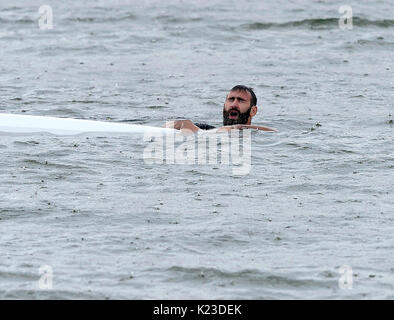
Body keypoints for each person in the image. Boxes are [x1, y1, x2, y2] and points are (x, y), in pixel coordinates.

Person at [164, 85, 277, 133]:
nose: (234, 104)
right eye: (231, 99)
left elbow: (274, 131)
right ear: (224, 106)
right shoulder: (206, 129)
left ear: (253, 111)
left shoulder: (257, 134)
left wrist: (236, 128)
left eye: (241, 100)